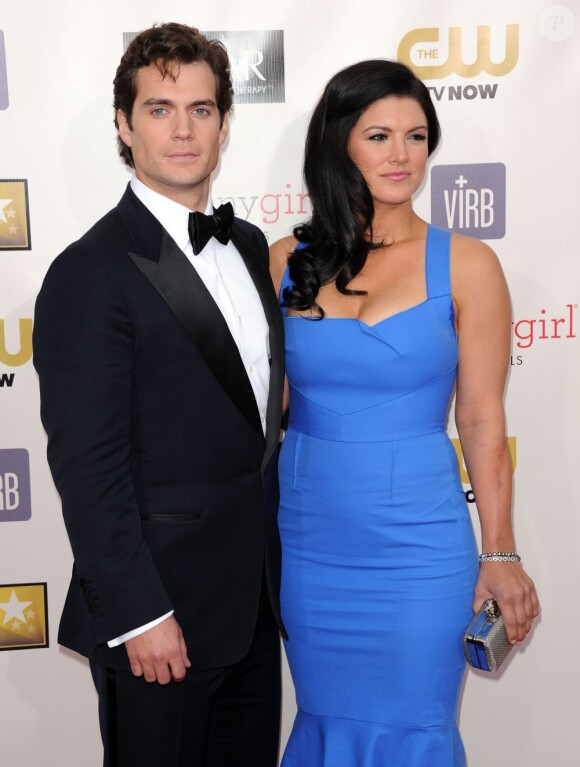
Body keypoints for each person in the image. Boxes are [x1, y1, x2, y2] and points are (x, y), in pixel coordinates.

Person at [270, 59, 539, 766]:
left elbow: (481, 419)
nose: (401, 155)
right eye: (379, 135)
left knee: (417, 727)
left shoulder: (467, 264)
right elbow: (268, 410)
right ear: (338, 145)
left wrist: (500, 550)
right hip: (309, 542)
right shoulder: (282, 263)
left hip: (418, 548)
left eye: (417, 137)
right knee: (323, 714)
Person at [34, 22, 285, 767]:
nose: (183, 129)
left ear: (225, 124)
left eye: (201, 109)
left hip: (250, 608)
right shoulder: (91, 272)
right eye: (159, 108)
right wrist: (143, 611)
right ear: (124, 123)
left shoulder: (246, 247)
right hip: (160, 619)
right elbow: (88, 469)